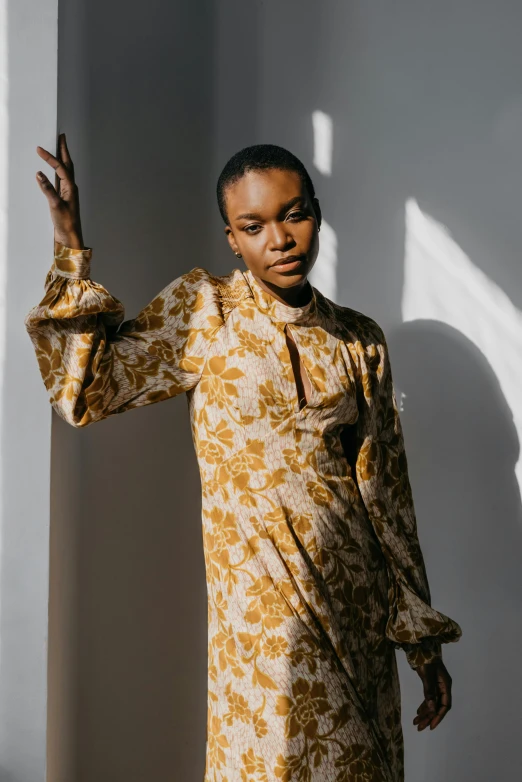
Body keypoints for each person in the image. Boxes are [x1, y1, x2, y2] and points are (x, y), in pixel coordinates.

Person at [26, 135, 462, 782]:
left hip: (355, 613)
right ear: (232, 238)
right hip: (260, 624)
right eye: (254, 226)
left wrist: (422, 644)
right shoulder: (208, 311)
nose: (280, 239)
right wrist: (69, 247)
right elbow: (87, 390)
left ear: (316, 211)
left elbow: (386, 495)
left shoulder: (359, 340)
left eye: (294, 214)